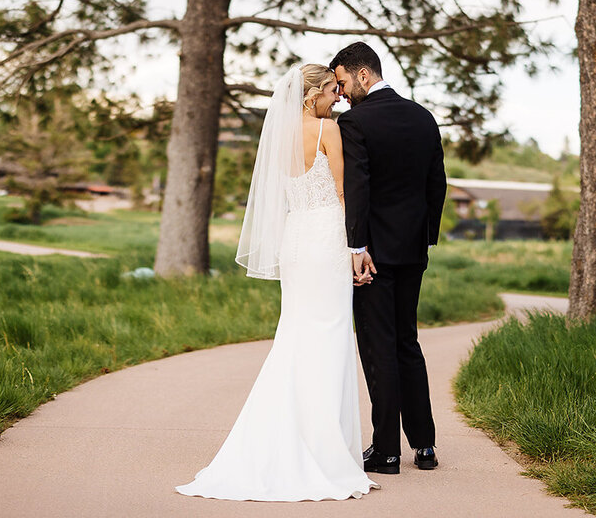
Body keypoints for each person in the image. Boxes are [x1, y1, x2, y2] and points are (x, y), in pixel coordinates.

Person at [176, 64, 377, 502]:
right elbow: (344, 193)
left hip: (297, 239)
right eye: (330, 90)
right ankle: (326, 454)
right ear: (312, 96)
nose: (337, 97)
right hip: (326, 239)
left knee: (296, 338)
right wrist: (356, 250)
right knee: (330, 340)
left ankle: (286, 441)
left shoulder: (279, 137)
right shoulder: (328, 130)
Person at [330, 41, 446, 475]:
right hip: (413, 250)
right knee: (407, 344)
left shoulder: (354, 122)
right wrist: (424, 238)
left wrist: (356, 248)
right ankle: (426, 446)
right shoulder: (423, 116)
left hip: (373, 255)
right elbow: (437, 184)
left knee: (379, 349)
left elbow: (358, 188)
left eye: (341, 81)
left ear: (363, 75)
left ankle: (386, 452)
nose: (340, 92)